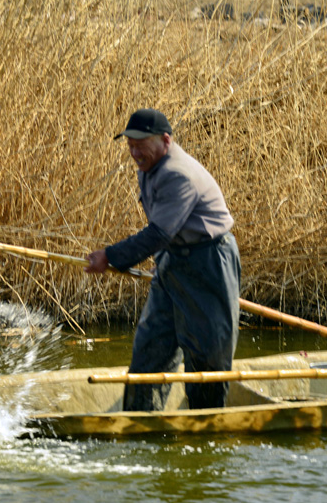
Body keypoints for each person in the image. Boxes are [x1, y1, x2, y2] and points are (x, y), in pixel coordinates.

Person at [85, 108, 241, 411]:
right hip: (174, 259)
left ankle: (205, 425)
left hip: (209, 263)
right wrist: (164, 258)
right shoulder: (149, 166)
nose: (134, 151)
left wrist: (110, 257)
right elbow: (166, 231)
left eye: (140, 144)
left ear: (165, 140)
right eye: (130, 144)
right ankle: (142, 421)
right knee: (151, 347)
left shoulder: (177, 175)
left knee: (207, 355)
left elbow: (159, 232)